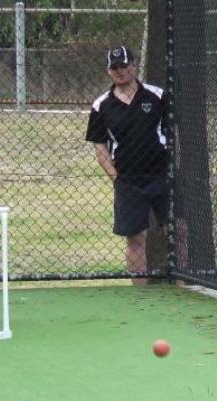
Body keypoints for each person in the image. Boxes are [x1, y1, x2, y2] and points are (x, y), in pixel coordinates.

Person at [85, 46, 168, 284]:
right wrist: (115, 177)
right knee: (135, 238)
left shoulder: (157, 96)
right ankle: (139, 296)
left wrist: (175, 168)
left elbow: (175, 134)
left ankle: (183, 285)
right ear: (108, 71)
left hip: (161, 174)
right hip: (128, 181)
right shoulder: (101, 105)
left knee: (175, 231)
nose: (120, 71)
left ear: (134, 65)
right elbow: (99, 147)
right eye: (114, 67)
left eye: (124, 65)